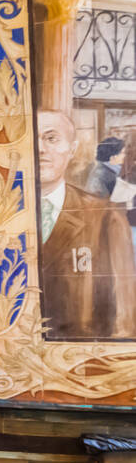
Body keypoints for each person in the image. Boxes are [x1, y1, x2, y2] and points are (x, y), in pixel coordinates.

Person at [36, 109, 136, 339]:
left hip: (81, 361)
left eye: (51, 138)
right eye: (33, 139)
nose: (40, 149)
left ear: (72, 149)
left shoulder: (103, 217)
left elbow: (125, 318)